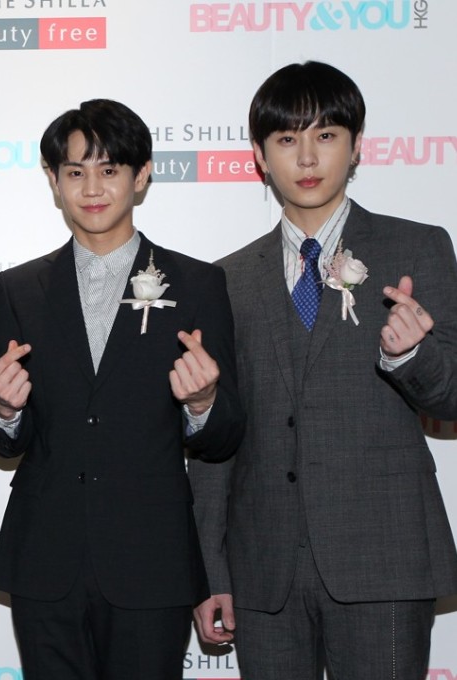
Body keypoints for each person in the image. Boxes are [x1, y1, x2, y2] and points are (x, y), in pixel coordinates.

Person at [189, 61, 457, 680]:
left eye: (327, 135)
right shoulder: (225, 279)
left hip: (384, 557)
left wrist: (411, 356)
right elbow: (214, 440)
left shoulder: (417, 248)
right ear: (260, 156)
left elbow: (451, 395)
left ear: (357, 146)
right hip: (263, 569)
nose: (307, 157)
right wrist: (210, 569)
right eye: (287, 139)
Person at [0, 98, 244, 680]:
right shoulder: (20, 288)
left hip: (152, 557)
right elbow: (7, 442)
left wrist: (202, 403)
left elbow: (225, 434)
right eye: (75, 171)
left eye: (109, 169)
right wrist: (3, 410)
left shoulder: (197, 283)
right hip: (45, 556)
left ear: (141, 175)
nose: (92, 188)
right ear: (53, 180)